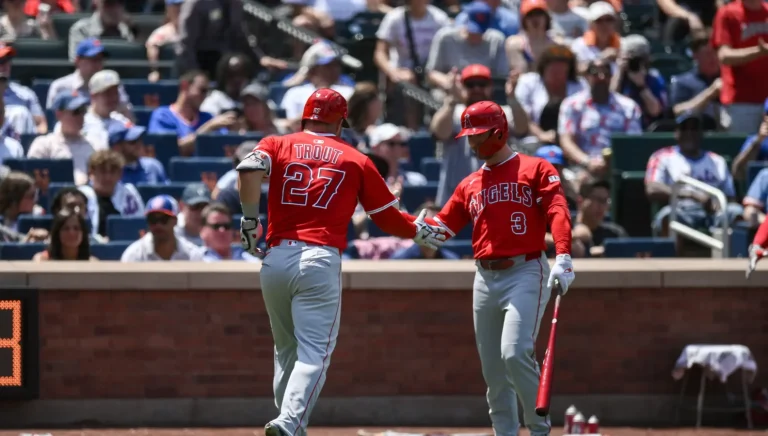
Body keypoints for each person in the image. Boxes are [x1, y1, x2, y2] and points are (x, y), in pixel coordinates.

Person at [236, 87, 446, 436]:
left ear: (306, 116)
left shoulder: (277, 143)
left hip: (275, 257)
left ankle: (290, 424)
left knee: (286, 350)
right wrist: (418, 231)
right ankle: (289, 422)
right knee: (313, 353)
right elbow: (388, 219)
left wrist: (247, 220)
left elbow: (247, 169)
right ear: (340, 122)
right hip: (319, 258)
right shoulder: (355, 158)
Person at [400, 100, 575, 436]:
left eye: (478, 135)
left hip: (525, 269)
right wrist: (412, 225)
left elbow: (557, 209)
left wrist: (564, 256)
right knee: (494, 373)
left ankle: (539, 428)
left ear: (499, 130)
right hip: (485, 276)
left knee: (515, 352)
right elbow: (439, 231)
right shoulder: (470, 183)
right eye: (469, 135)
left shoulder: (535, 168)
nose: (472, 142)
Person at [431, 63, 529, 206]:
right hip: (455, 201)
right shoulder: (454, 111)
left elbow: (522, 129)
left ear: (490, 87)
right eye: (470, 84)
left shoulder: (502, 113)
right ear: (462, 87)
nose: (477, 89)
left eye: (482, 84)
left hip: (494, 200)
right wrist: (451, 99)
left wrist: (513, 98)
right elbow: (439, 133)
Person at [645, 112, 743, 237]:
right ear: (676, 132)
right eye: (685, 129)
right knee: (667, 216)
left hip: (714, 213)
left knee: (736, 212)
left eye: (694, 129)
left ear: (701, 133)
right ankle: (670, 256)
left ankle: (735, 256)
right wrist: (691, 195)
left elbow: (731, 196)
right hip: (682, 211)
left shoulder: (717, 161)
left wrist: (717, 203)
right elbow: (652, 188)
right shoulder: (662, 157)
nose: (690, 133)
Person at [558, 59, 641, 181]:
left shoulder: (629, 107)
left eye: (606, 74)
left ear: (611, 77)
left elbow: (633, 143)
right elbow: (566, 141)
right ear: (587, 76)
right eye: (595, 73)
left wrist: (610, 162)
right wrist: (587, 162)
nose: (601, 77)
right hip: (582, 167)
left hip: (618, 168)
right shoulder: (572, 105)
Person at [712, 0, 768, 133]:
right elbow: (724, 56)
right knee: (742, 150)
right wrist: (759, 52)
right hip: (740, 102)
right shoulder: (728, 13)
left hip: (767, 100)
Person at [147, 69, 234, 155]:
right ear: (185, 86)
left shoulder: (208, 118)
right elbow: (170, 150)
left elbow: (228, 147)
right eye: (202, 90)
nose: (205, 96)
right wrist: (207, 128)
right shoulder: (162, 115)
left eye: (207, 92)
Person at [425, 1, 508, 91]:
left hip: (484, 94)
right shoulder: (445, 37)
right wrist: (448, 82)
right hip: (451, 92)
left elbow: (501, 77)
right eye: (473, 31)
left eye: (480, 32)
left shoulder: (496, 40)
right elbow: (431, 73)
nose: (476, 35)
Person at [46, 37, 133, 118]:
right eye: (93, 59)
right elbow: (53, 119)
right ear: (78, 61)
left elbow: (128, 117)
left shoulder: (113, 86)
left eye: (100, 60)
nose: (98, 64)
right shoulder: (61, 86)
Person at [27, 90, 97, 185]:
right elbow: (31, 177)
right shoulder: (43, 144)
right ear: (59, 114)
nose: (81, 116)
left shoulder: (91, 145)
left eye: (83, 111)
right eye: (76, 112)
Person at [78, 149, 144, 238]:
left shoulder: (129, 194)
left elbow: (140, 227)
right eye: (103, 171)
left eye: (112, 171)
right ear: (92, 172)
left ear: (120, 174)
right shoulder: (81, 195)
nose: (108, 177)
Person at [120, 194, 206, 261]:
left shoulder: (191, 254)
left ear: (175, 221)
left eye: (164, 219)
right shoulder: (134, 255)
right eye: (153, 220)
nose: (158, 225)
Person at [611, 34, 666, 129]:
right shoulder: (616, 77)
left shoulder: (654, 78)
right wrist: (620, 72)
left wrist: (642, 86)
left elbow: (655, 111)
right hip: (619, 127)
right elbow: (609, 100)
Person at [669, 35, 722, 131]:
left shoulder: (729, 80)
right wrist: (710, 93)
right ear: (695, 55)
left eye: (715, 53)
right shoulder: (682, 81)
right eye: (708, 54)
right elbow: (678, 111)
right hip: (696, 134)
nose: (713, 58)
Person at [0, 43, 48, 134]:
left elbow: (41, 125)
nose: (5, 66)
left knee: (21, 114)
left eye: (7, 61)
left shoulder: (25, 93)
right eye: (0, 61)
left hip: (21, 144)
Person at [390, 202, 462, 260]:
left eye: (438, 226)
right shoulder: (399, 260)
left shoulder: (452, 261)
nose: (434, 230)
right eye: (428, 224)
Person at [68, 0, 134, 62]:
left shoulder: (125, 29)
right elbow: (75, 62)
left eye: (120, 3)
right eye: (109, 4)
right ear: (97, 3)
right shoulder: (81, 29)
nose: (115, 9)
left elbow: (133, 60)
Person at [505, 0, 557, 73]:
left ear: (547, 17)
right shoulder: (514, 44)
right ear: (524, 19)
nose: (535, 19)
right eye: (530, 15)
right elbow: (520, 73)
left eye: (539, 14)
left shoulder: (556, 44)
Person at [32, 206, 96, 261]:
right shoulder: (41, 260)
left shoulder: (93, 263)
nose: (71, 233)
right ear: (57, 233)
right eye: (66, 228)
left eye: (76, 228)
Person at [146, 0, 183, 82]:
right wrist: (155, 71)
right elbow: (152, 47)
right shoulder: (162, 32)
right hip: (169, 76)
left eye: (181, 5)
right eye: (175, 6)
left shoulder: (195, 30)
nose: (179, 9)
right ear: (168, 8)